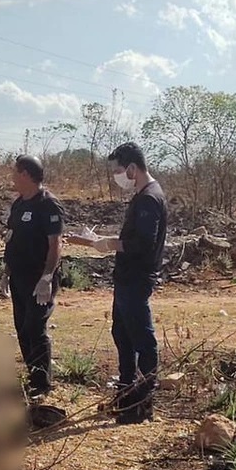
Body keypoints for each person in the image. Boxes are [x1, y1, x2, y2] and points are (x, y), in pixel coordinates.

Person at [66, 142, 167, 424]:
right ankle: (125, 396)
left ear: (133, 168)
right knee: (122, 336)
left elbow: (144, 244)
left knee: (143, 342)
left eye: (119, 170)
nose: (117, 176)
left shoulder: (149, 198)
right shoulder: (142, 196)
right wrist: (100, 241)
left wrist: (110, 244)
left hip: (136, 279)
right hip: (126, 278)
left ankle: (142, 404)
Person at [0, 154, 64, 405]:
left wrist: (47, 277)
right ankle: (32, 376)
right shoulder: (18, 204)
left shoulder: (48, 205)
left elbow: (55, 244)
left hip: (40, 280)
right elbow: (11, 239)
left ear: (25, 174)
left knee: (35, 329)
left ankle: (42, 384)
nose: (12, 177)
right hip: (19, 277)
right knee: (22, 329)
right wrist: (6, 272)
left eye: (15, 172)